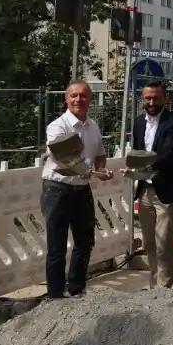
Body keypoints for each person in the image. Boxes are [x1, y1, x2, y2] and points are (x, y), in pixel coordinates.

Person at [40, 81, 111, 299]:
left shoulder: (93, 126)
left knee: (85, 242)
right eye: (74, 96)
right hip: (57, 190)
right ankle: (55, 295)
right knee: (57, 246)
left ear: (90, 100)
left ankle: (77, 289)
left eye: (83, 96)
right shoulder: (57, 126)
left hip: (82, 190)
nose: (78, 100)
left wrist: (101, 170)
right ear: (66, 99)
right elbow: (64, 158)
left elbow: (99, 154)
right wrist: (88, 170)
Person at [129, 79, 173, 289]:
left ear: (165, 99)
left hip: (168, 191)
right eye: (147, 98)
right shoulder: (137, 122)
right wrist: (132, 168)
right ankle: (154, 286)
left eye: (156, 98)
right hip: (144, 189)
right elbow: (136, 151)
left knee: (163, 243)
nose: (152, 102)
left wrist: (140, 162)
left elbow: (169, 155)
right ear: (142, 99)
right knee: (150, 243)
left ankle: (164, 290)